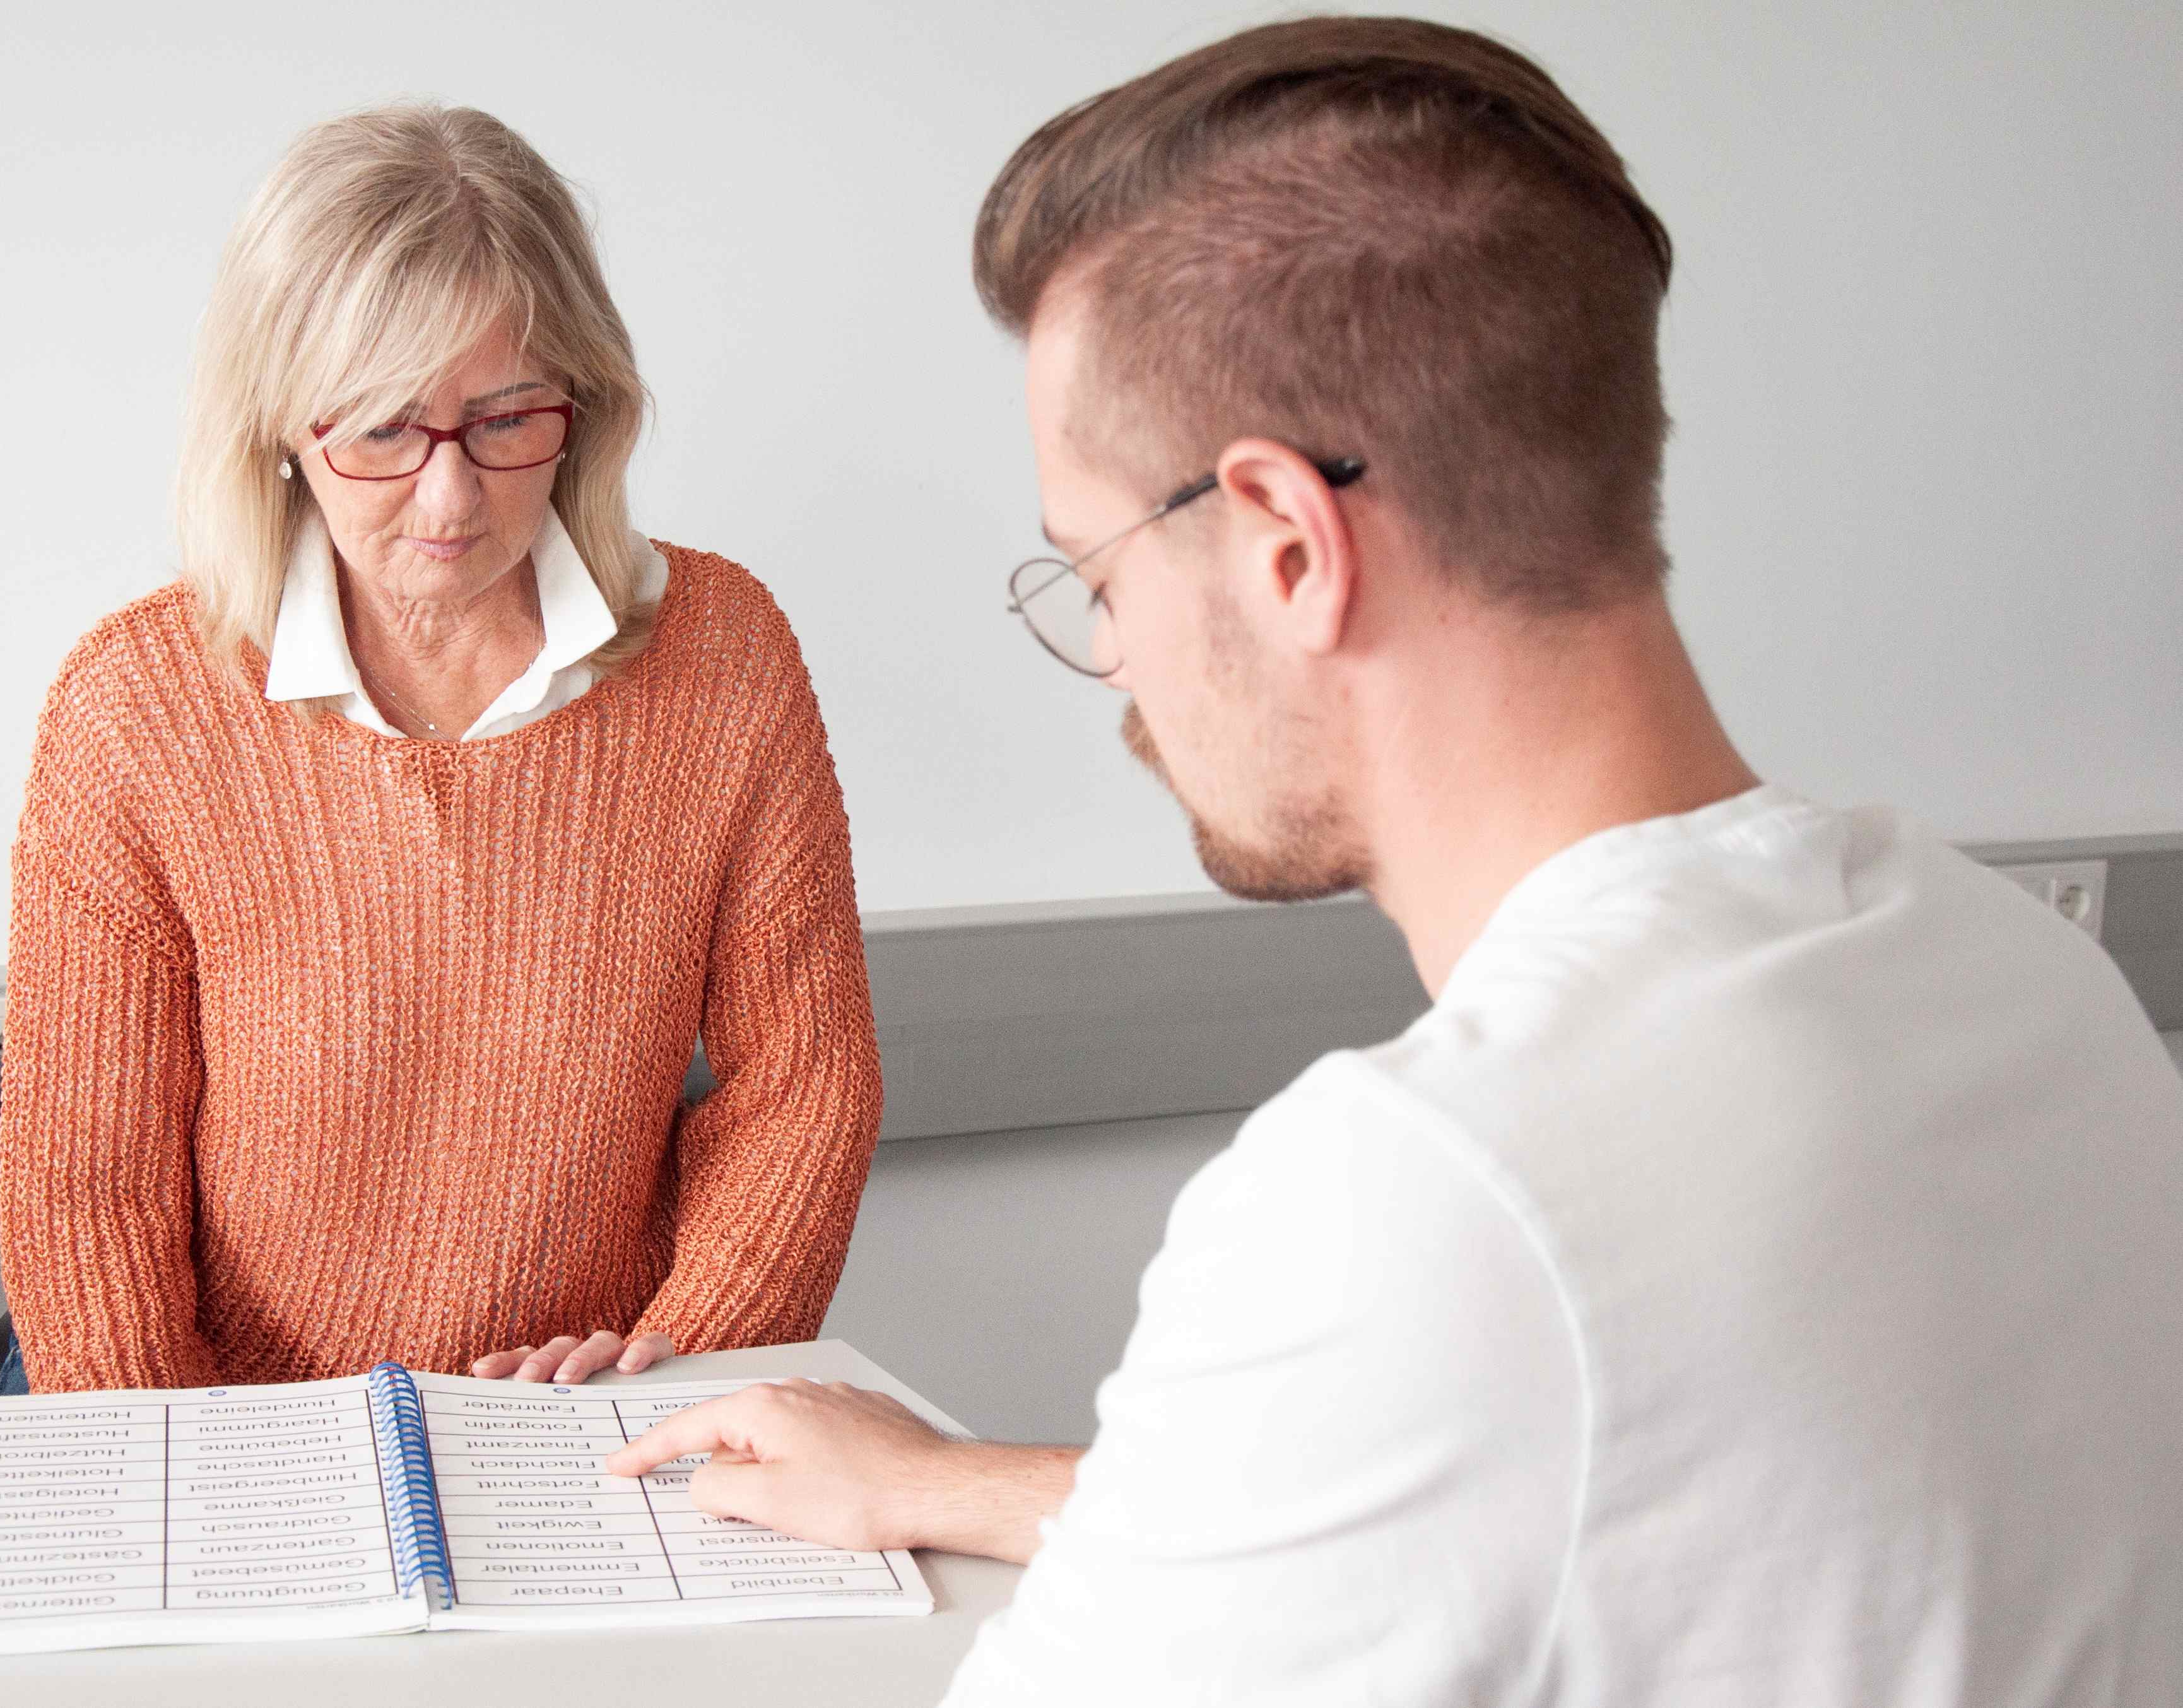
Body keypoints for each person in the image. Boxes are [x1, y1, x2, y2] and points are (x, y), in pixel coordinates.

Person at [606, 18, 2183, 1702]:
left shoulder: (1425, 1192)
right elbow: (1626, 1507)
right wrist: (949, 1480)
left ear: (1287, 543)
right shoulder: (2026, 979)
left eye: (1097, 570)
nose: (1115, 655)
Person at [0, 104, 881, 1394]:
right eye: (383, 432)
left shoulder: (723, 656)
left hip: (578, 1413)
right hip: (223, 1410)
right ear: (283, 429)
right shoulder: (137, 706)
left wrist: (680, 1358)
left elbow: (803, 1085)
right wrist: (190, 1475)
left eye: (510, 418)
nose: (452, 498)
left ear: (586, 400)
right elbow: (89, 1188)